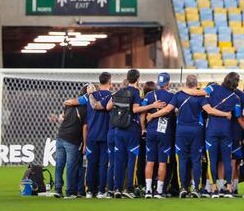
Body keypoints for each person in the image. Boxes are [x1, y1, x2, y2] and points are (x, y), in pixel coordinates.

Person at [149, 74, 208, 197]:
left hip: (181, 130)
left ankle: (183, 188)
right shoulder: (201, 96)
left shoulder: (178, 95)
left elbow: (166, 110)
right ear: (196, 83)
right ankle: (196, 188)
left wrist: (152, 115)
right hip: (197, 130)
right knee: (196, 159)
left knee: (182, 159)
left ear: (186, 83)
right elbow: (208, 110)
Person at [103, 69, 158, 198]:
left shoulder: (119, 91)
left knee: (118, 161)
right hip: (131, 129)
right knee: (132, 160)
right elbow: (136, 109)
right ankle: (129, 189)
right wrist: (151, 106)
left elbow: (108, 107)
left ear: (128, 78)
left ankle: (117, 189)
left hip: (118, 130)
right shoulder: (137, 92)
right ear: (138, 79)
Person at [63, 72, 112, 198]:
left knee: (91, 163)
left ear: (99, 82)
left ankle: (90, 191)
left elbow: (71, 102)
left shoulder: (89, 96)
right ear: (110, 82)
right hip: (105, 135)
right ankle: (101, 191)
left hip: (91, 135)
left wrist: (67, 104)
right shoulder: (112, 96)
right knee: (103, 164)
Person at [204, 72, 244, 197]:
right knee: (227, 160)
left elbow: (204, 103)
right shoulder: (236, 98)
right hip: (226, 131)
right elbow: (238, 116)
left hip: (212, 129)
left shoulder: (213, 89)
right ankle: (229, 188)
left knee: (212, 160)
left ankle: (214, 188)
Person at [143, 73, 174, 198]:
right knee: (162, 162)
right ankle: (159, 191)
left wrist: (143, 127)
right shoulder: (172, 96)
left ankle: (148, 190)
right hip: (164, 133)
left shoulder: (149, 95)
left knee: (149, 161)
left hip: (150, 131)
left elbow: (141, 113)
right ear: (168, 84)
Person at [55, 86, 88, 199]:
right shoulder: (86, 108)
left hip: (61, 136)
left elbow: (62, 117)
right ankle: (70, 191)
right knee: (71, 166)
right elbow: (84, 128)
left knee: (60, 164)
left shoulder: (69, 104)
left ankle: (58, 189)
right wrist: (85, 143)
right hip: (72, 139)